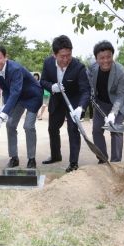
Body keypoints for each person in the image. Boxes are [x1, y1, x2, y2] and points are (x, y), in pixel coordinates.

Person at [40, 35, 91, 172]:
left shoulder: (78, 66)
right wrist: (52, 87)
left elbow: (85, 90)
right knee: (52, 129)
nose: (66, 59)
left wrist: (81, 107)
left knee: (73, 130)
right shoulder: (48, 63)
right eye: (62, 56)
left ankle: (73, 162)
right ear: (54, 54)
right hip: (57, 100)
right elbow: (43, 81)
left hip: (73, 101)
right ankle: (56, 155)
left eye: (69, 55)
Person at [0, 44, 43, 169]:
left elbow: (15, 92)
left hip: (32, 96)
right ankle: (14, 158)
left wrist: (3, 114)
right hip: (18, 97)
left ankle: (31, 159)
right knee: (10, 124)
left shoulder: (15, 69)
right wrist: (5, 105)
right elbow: (6, 89)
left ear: (6, 57)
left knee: (28, 126)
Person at [87, 40, 124, 163]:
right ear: (96, 58)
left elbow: (121, 96)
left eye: (109, 56)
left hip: (119, 104)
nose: (105, 61)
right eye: (101, 58)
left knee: (115, 130)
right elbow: (89, 78)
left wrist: (113, 113)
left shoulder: (122, 72)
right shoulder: (92, 66)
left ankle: (116, 161)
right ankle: (102, 159)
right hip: (101, 103)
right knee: (96, 129)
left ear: (112, 55)